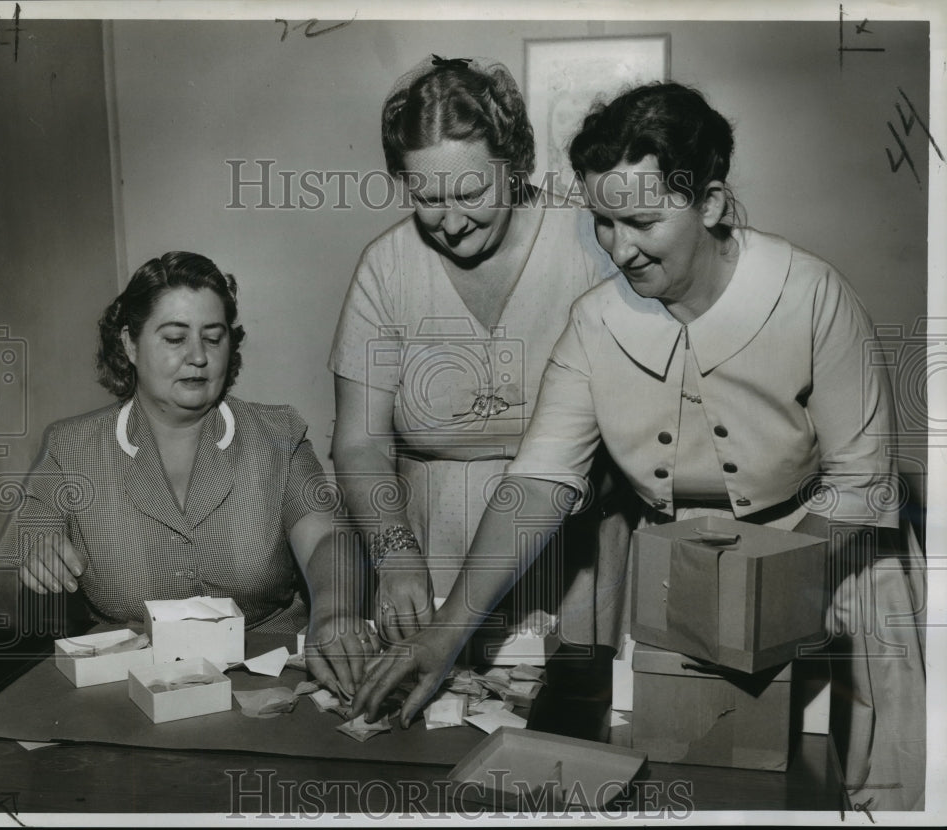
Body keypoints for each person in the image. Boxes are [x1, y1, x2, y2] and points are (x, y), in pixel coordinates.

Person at [351, 82, 927, 811]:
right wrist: (442, 636)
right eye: (602, 222)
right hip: (676, 543)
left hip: (827, 536)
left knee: (889, 620)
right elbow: (538, 483)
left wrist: (760, 586)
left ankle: (898, 809)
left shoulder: (812, 293)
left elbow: (864, 483)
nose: (619, 249)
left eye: (642, 221)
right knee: (645, 740)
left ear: (710, 204)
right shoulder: (595, 321)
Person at [329, 54, 628, 652]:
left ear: (515, 167)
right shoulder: (386, 269)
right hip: (425, 552)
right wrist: (394, 554)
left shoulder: (592, 247)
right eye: (427, 198)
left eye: (470, 192)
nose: (451, 222)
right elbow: (360, 441)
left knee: (568, 729)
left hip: (571, 551)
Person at [0, 252, 374, 695]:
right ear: (129, 344)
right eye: (175, 338)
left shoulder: (276, 435)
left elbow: (325, 539)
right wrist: (27, 576)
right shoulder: (72, 449)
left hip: (270, 675)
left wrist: (335, 614)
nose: (198, 357)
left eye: (213, 338)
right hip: (128, 686)